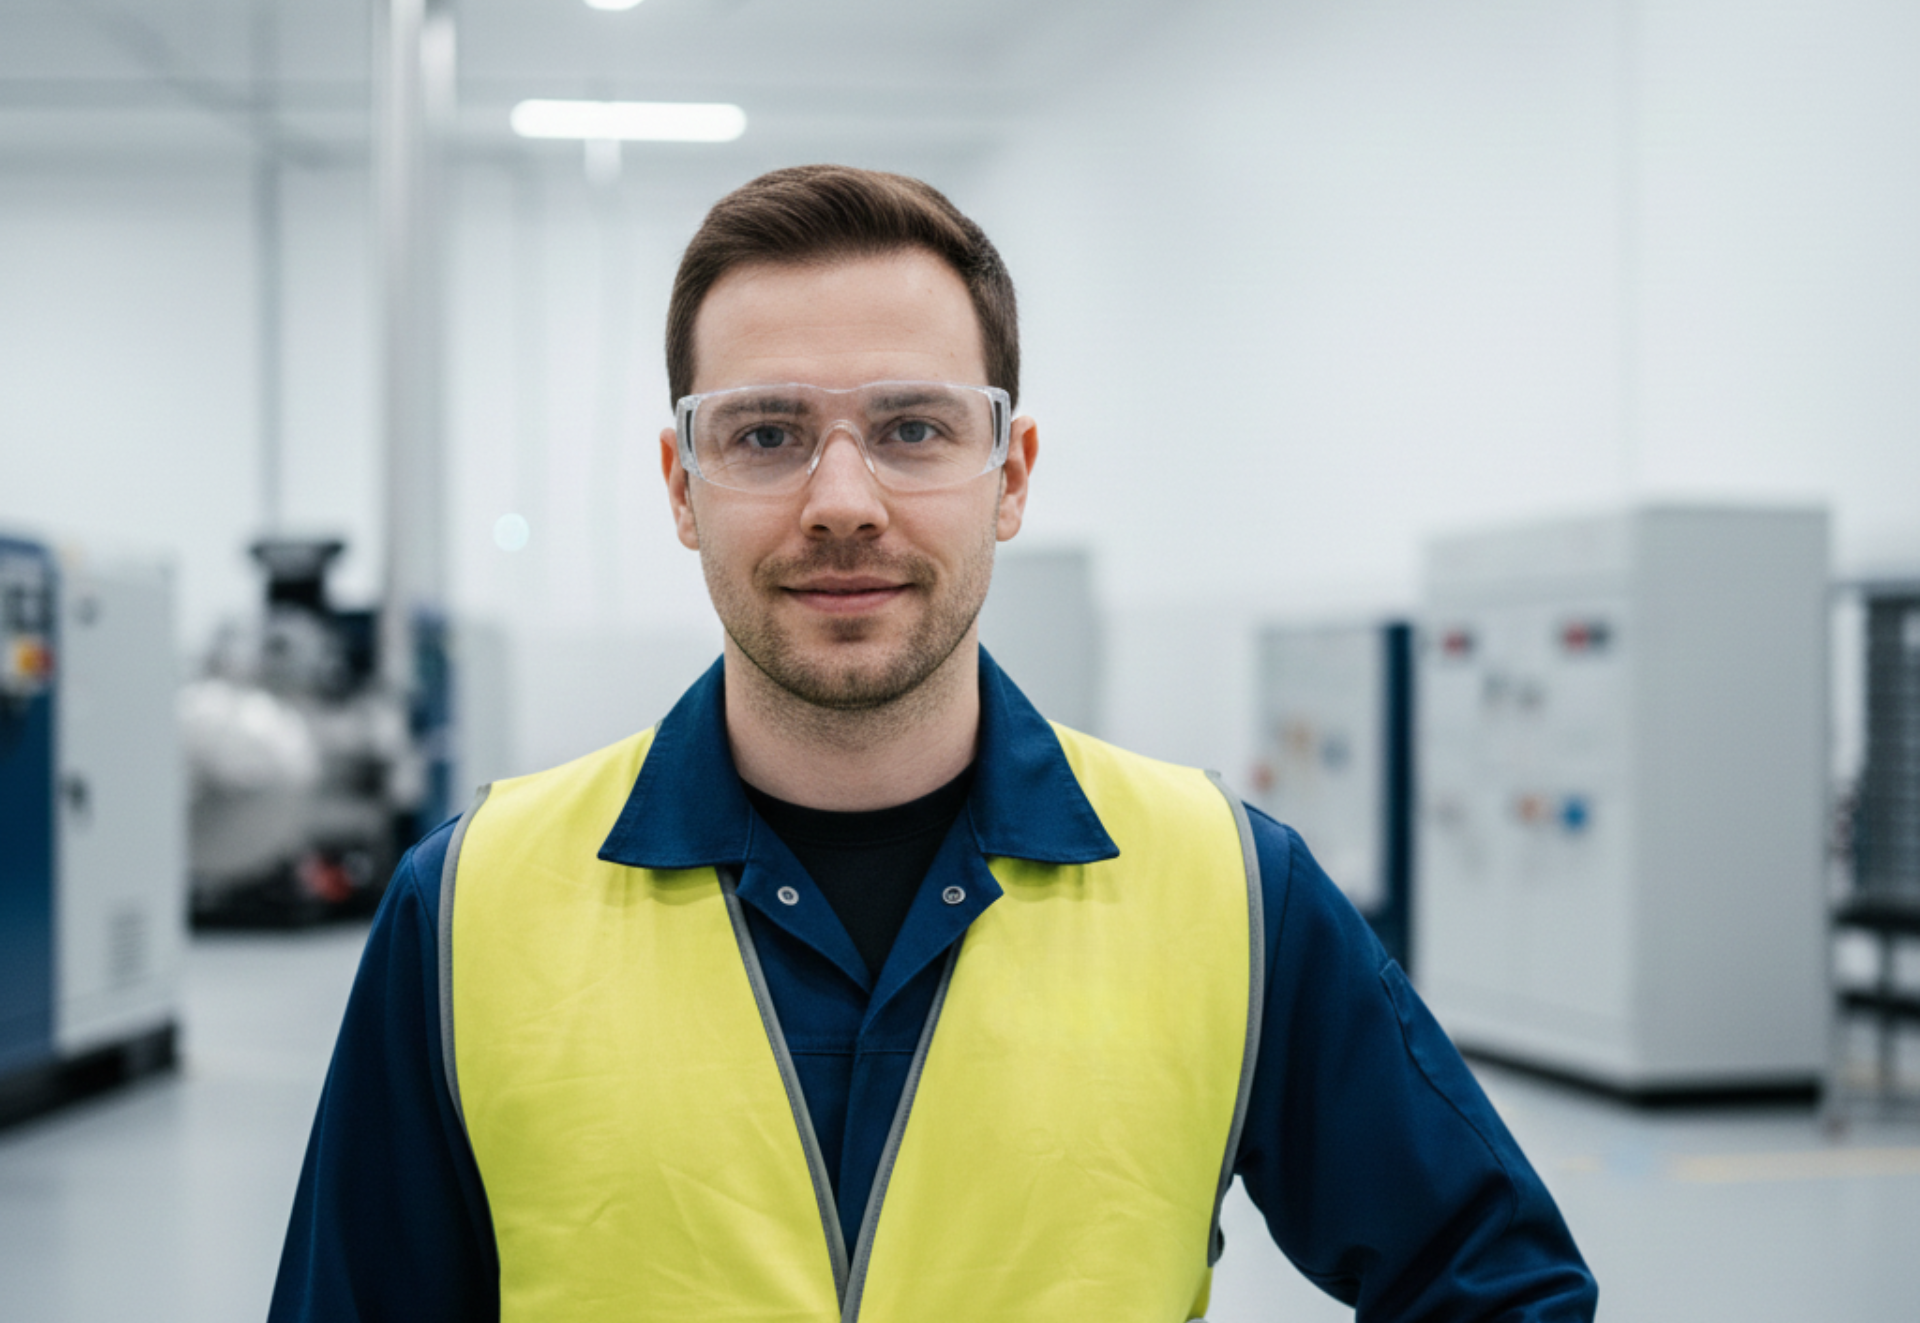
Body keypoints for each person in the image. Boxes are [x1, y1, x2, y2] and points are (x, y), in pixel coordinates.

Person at [269, 164, 1597, 1322]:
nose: (842, 503)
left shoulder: (1229, 889)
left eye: (911, 429)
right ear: (683, 487)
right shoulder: (468, 910)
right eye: (767, 433)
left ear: (1009, 474)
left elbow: (1494, 1280)